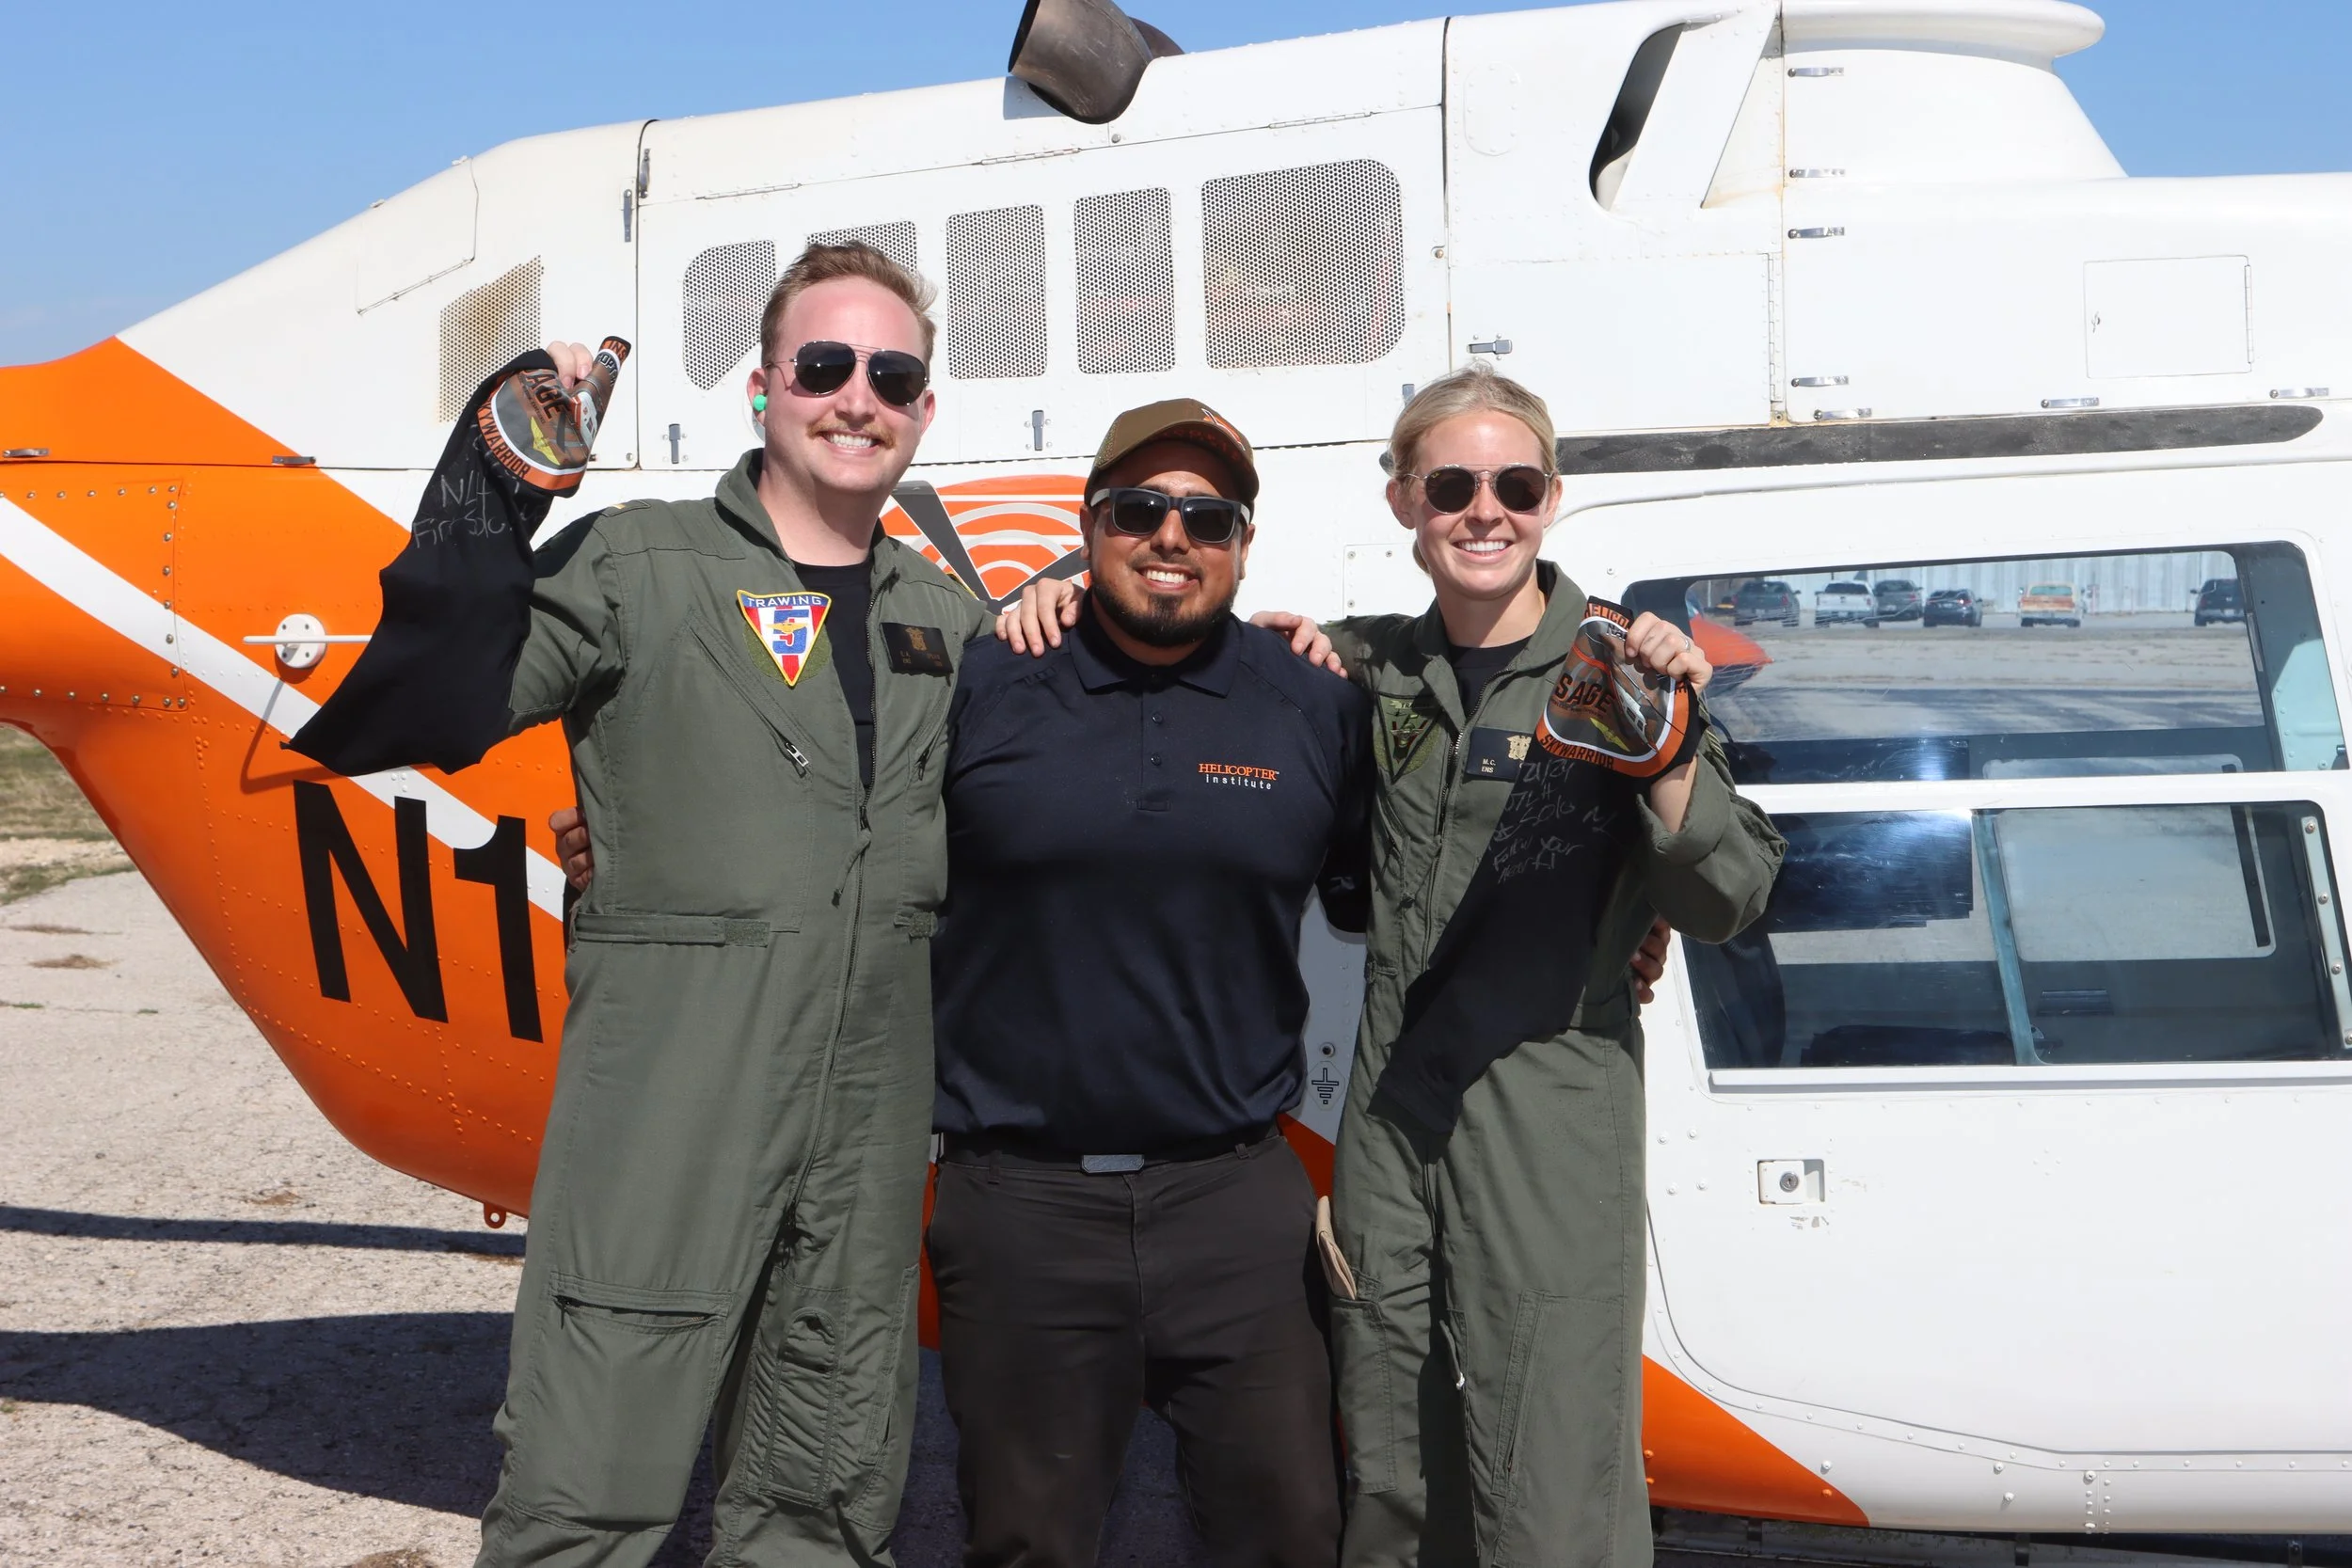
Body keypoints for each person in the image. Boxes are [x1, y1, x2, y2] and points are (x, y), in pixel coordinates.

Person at [293, 242, 987, 1567]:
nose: (858, 397)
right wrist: (496, 486)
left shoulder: (943, 620)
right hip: (673, 1094)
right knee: (590, 1478)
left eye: (891, 375)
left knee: (828, 1487)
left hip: (867, 1116)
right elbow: (439, 700)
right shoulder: (639, 564)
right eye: (824, 365)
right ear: (763, 388)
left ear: (923, 408)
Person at [1280, 367, 1783, 1568]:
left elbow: (1729, 895)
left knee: (1550, 1474)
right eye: (1450, 484)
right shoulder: (1372, 668)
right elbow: (1221, 665)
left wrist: (1664, 751)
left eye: (1513, 485)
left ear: (1551, 498)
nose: (1484, 511)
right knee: (1391, 1464)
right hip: (1392, 1116)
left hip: (1546, 1110)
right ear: (1403, 500)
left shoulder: (1619, 671)